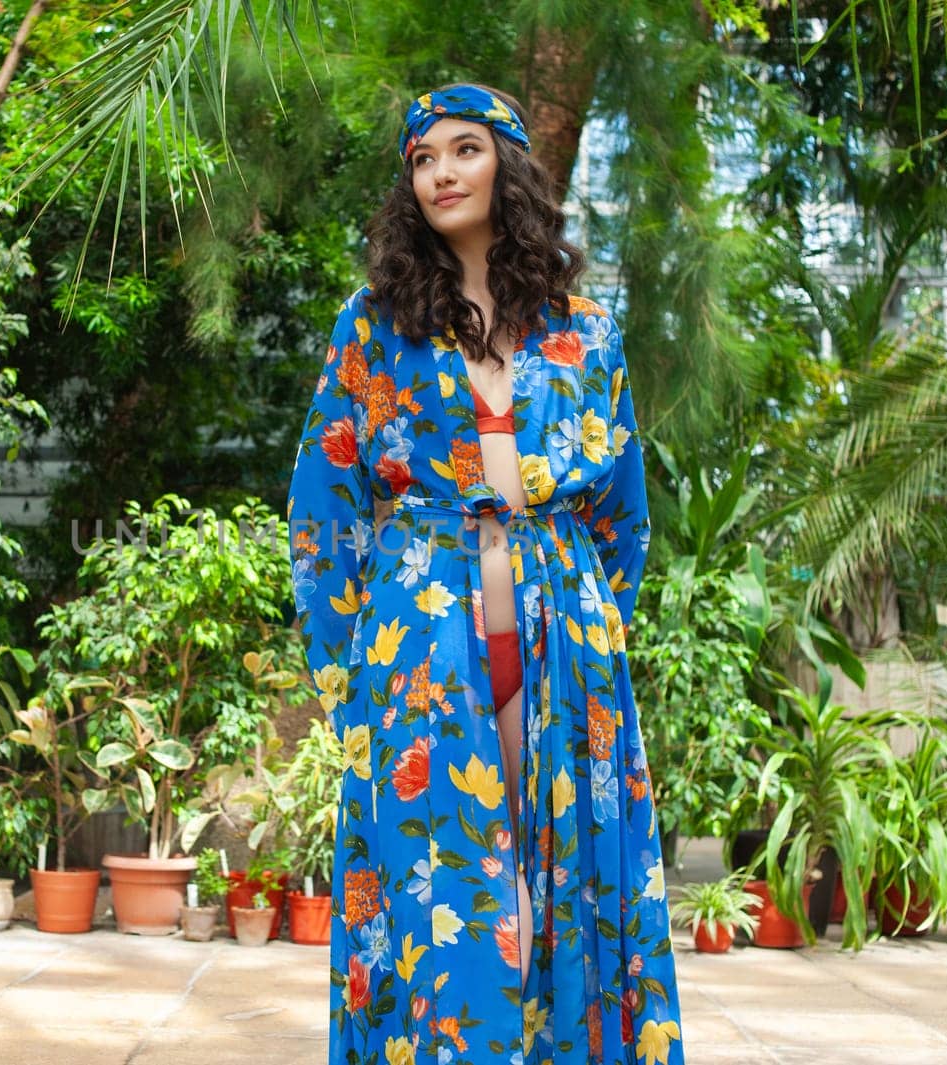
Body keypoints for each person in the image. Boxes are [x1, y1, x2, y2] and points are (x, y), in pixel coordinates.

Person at [286, 83, 685, 1065]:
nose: (440, 174)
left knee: (566, 885)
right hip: (420, 644)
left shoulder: (586, 330)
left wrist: (594, 628)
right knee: (444, 895)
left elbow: (622, 513)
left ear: (508, 166)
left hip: (565, 645)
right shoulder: (373, 325)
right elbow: (323, 502)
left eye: (462, 151)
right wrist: (345, 672)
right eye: (422, 160)